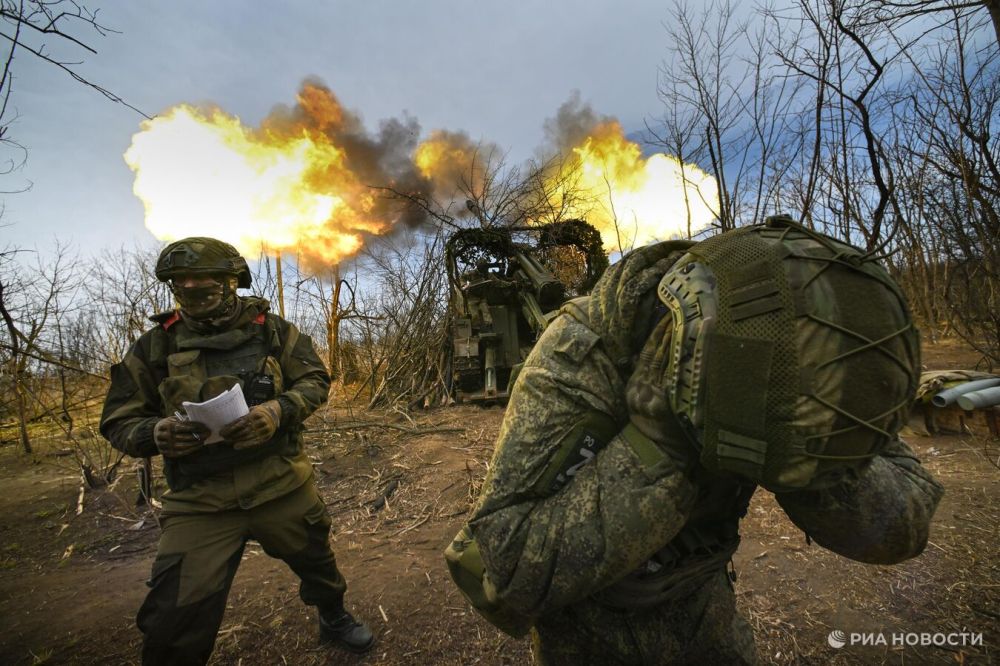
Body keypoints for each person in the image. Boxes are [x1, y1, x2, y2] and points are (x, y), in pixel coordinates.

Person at [447, 216, 944, 665]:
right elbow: (498, 571)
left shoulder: (802, 341)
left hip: (705, 609)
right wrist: (660, 445)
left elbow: (900, 527)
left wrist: (802, 454)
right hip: (588, 635)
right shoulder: (581, 354)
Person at [100, 237, 373, 665]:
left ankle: (333, 615)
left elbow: (316, 380)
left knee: (317, 562)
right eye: (181, 286)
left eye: (205, 286)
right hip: (200, 502)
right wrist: (155, 433)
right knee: (173, 620)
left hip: (279, 484)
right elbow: (117, 420)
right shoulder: (155, 348)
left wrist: (277, 411)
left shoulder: (273, 332)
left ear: (232, 284)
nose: (192, 292)